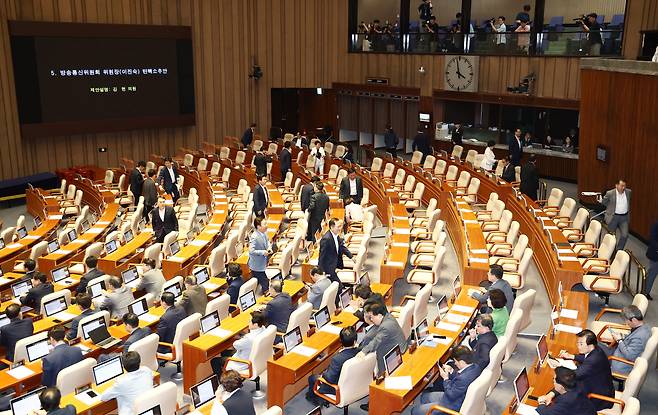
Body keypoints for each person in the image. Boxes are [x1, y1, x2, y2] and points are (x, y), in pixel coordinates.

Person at [545, 330, 614, 410]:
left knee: (562, 400)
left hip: (599, 398)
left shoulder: (593, 361)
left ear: (590, 345)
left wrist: (551, 393)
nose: (578, 346)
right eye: (577, 343)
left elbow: (570, 378)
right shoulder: (596, 350)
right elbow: (586, 357)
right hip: (599, 386)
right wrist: (572, 356)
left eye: (581, 344)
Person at [411, 346, 482, 415]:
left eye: (455, 361)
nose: (455, 363)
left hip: (452, 404)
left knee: (414, 411)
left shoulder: (463, 379)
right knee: (424, 397)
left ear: (462, 362)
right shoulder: (476, 367)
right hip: (457, 394)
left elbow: (450, 394)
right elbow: (460, 380)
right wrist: (451, 371)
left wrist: (445, 378)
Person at [306, 327, 359, 405]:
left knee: (312, 378)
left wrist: (323, 374)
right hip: (353, 382)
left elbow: (329, 379)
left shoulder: (337, 359)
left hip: (337, 388)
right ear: (355, 341)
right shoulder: (360, 351)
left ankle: (314, 399)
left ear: (340, 341)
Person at [210, 311, 267, 377]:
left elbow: (235, 345)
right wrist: (242, 336)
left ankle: (222, 382)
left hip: (244, 363)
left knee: (214, 361)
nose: (248, 323)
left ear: (255, 325)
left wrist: (239, 338)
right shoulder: (263, 329)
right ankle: (229, 375)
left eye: (249, 321)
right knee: (224, 352)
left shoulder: (249, 338)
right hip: (253, 357)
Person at [357, 302, 407, 375]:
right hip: (400, 347)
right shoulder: (388, 316)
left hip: (394, 355)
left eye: (372, 317)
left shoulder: (385, 326)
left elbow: (376, 341)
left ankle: (381, 376)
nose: (371, 319)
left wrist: (363, 351)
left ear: (379, 315)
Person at [100, 351, 154, 415]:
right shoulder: (147, 370)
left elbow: (103, 398)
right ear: (139, 361)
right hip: (148, 410)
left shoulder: (121, 382)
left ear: (123, 366)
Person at [605, 305, 651, 375]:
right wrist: (622, 336)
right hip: (618, 352)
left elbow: (629, 356)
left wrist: (619, 340)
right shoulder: (644, 326)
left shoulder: (640, 337)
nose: (626, 324)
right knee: (594, 344)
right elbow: (631, 339)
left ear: (634, 320)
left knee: (593, 349)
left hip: (619, 362)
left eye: (627, 322)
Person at [318, 218, 353, 285]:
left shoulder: (336, 235)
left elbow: (342, 247)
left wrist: (351, 257)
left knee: (336, 286)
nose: (340, 228)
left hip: (335, 264)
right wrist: (321, 272)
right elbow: (322, 257)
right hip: (328, 268)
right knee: (338, 286)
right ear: (332, 227)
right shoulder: (326, 239)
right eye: (338, 226)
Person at [601, 179, 632, 251]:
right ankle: (608, 251)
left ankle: (618, 251)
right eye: (621, 186)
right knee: (611, 236)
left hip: (624, 217)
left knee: (625, 235)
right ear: (616, 185)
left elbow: (628, 202)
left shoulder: (628, 192)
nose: (623, 188)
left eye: (624, 186)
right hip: (613, 217)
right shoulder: (610, 193)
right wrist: (610, 209)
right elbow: (604, 202)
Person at [248, 217, 272, 293]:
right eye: (264, 224)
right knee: (264, 283)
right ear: (258, 226)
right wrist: (262, 252)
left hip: (262, 262)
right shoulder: (254, 237)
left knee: (255, 280)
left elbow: (267, 241)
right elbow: (251, 251)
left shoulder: (264, 233)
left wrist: (269, 247)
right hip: (256, 264)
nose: (267, 225)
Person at [645, 220, 658, 300]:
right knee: (652, 274)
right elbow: (652, 239)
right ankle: (645, 292)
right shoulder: (656, 225)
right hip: (656, 254)